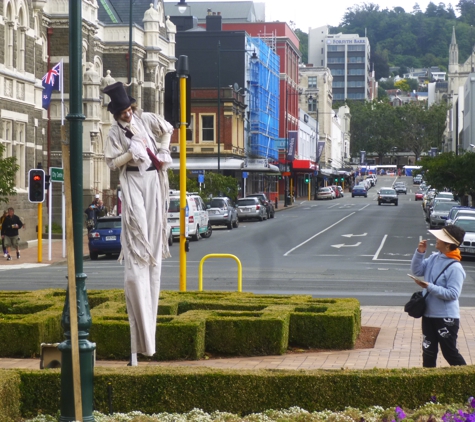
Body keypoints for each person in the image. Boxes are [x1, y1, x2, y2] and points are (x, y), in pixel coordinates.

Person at [103, 81, 172, 366]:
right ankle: (140, 339)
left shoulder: (145, 119)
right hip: (132, 180)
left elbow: (167, 129)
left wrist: (165, 150)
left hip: (153, 180)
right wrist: (131, 152)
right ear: (116, 114)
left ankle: (149, 339)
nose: (127, 114)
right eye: (122, 112)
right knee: (138, 243)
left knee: (154, 249)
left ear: (133, 107)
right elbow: (111, 163)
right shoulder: (114, 133)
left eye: (129, 109)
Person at [410, 226, 467, 368]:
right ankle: (428, 388)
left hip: (446, 318)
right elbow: (417, 270)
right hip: (428, 315)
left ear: (448, 244)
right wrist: (420, 253)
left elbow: (453, 294)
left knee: (450, 353)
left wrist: (428, 286)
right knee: (428, 353)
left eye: (440, 238)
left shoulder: (455, 267)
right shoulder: (435, 257)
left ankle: (469, 381)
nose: (436, 240)